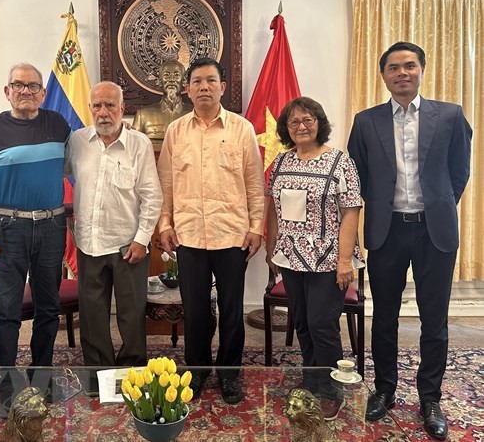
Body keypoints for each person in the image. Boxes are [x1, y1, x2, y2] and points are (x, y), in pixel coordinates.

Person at [347, 42, 472, 441]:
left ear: (421, 70)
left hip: (434, 230)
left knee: (433, 318)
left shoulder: (450, 115)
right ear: (383, 75)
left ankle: (430, 398)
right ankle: (384, 389)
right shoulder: (366, 121)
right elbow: (358, 175)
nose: (402, 73)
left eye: (410, 66)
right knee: (383, 316)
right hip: (387, 229)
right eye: (394, 68)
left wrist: (438, 203)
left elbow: (460, 171)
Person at [157, 58, 265, 404]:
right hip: (188, 235)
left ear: (222, 87)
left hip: (232, 234)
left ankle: (230, 374)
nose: (204, 87)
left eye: (211, 81)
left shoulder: (241, 129)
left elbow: (254, 184)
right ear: (187, 89)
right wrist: (165, 225)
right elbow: (166, 185)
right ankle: (198, 371)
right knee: (196, 310)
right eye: (197, 81)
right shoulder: (176, 131)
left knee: (232, 310)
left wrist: (256, 228)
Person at [0, 63, 70, 412]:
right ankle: (9, 381)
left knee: (48, 307)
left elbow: (82, 159)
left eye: (32, 86)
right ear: (7, 91)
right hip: (4, 229)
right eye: (18, 85)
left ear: (43, 92)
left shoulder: (57, 124)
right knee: (6, 309)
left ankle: (41, 374)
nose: (25, 91)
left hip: (51, 227)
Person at [265, 96, 365, 421]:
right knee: (302, 323)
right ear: (286, 129)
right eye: (294, 122)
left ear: (319, 123)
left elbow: (351, 212)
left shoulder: (340, 162)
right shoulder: (281, 162)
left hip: (329, 259)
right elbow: (275, 210)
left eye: (308, 119)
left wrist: (344, 260)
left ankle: (332, 391)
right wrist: (272, 250)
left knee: (322, 324)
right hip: (292, 258)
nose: (301, 126)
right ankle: (311, 379)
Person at [68, 81, 162, 382]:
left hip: (128, 246)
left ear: (123, 109)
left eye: (110, 105)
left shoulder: (140, 144)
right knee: (93, 316)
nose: (103, 112)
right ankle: (99, 374)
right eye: (97, 105)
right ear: (90, 109)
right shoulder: (77, 141)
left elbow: (152, 195)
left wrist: (142, 240)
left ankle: (132, 372)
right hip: (89, 243)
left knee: (131, 315)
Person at [132, 60, 193, 149]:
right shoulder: (143, 115)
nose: (171, 79)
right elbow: (134, 149)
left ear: (184, 81)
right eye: (166, 75)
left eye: (176, 75)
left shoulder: (194, 113)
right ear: (159, 81)